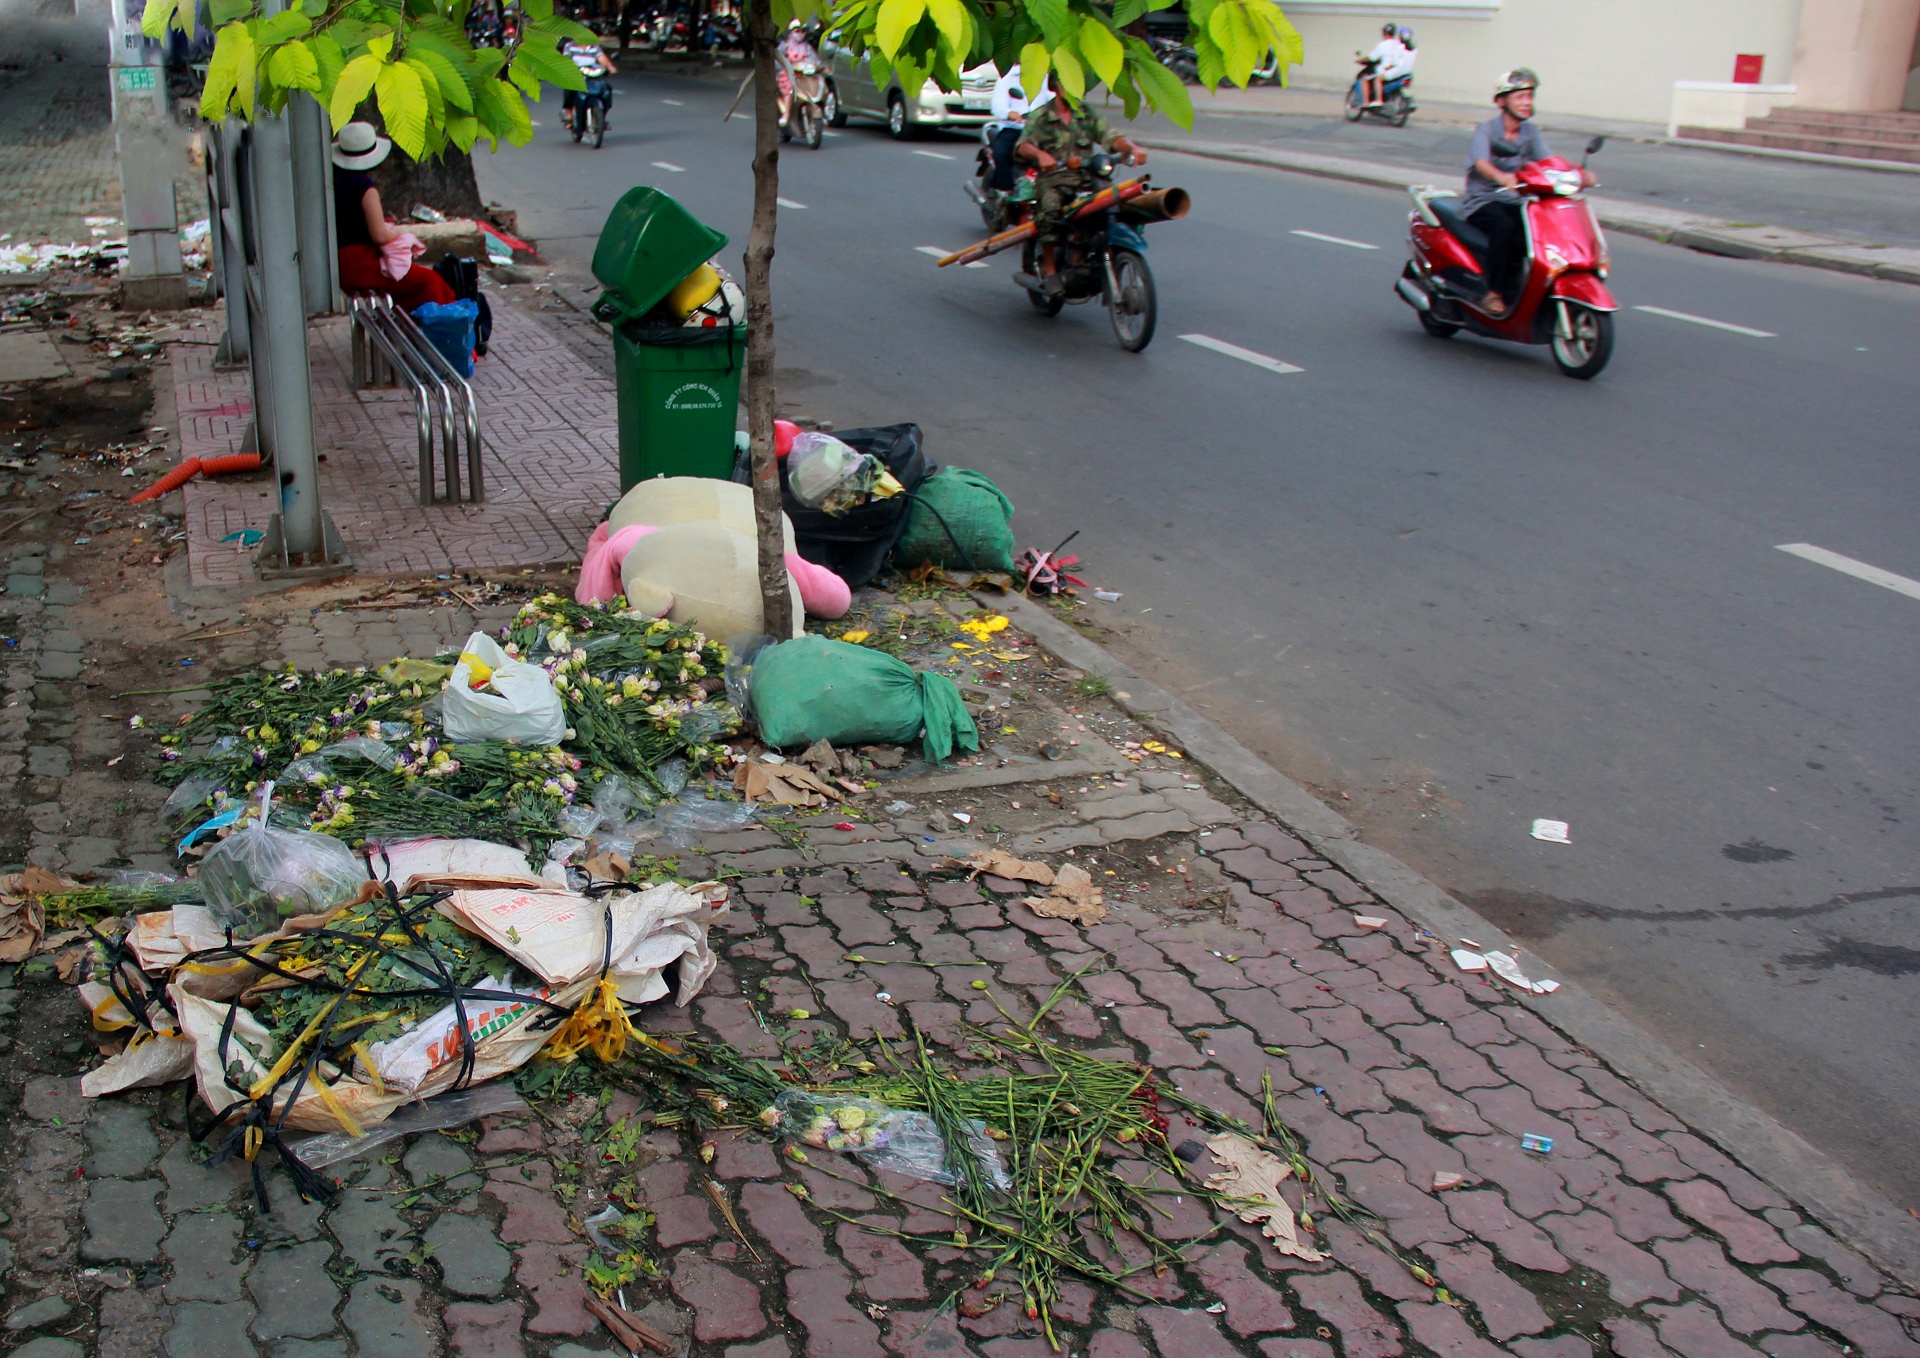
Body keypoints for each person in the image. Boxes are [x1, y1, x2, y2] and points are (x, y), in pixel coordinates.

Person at [1458, 68, 1589, 316]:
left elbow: (1548, 161)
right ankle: (1493, 292)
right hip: (1483, 200)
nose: (1527, 103)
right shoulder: (1486, 129)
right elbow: (1481, 163)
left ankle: (1525, 287)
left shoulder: (1531, 132)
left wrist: (1578, 174)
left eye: (1530, 96)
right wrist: (1501, 176)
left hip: (1516, 199)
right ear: (1501, 101)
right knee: (1505, 227)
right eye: (1520, 97)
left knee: (1537, 232)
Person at [1014, 82, 1147, 293]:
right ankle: (1050, 268)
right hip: (1054, 179)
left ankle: (1086, 251)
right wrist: (1040, 155)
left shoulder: (1086, 113)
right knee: (1050, 208)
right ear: (1054, 85)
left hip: (1086, 177)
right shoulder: (1042, 115)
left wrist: (1132, 147)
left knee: (1113, 202)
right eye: (1064, 80)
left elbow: (1110, 135)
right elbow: (1023, 144)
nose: (1070, 84)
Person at [330, 122, 457, 311]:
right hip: (360, 266)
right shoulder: (365, 188)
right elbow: (379, 235)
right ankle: (432, 333)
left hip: (341, 264)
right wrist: (398, 233)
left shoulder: (336, 184)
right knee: (430, 281)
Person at [987, 66, 1051, 192]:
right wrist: (1011, 114)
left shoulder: (1045, 77)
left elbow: (1053, 99)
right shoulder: (1007, 77)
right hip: (1015, 129)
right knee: (1001, 153)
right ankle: (1005, 191)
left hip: (1040, 130)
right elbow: (998, 106)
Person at [561, 37, 616, 130]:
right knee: (570, 89)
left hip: (593, 74)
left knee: (606, 90)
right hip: (576, 75)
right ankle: (569, 113)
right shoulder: (570, 46)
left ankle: (601, 117)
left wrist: (610, 67)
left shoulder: (594, 47)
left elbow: (602, 59)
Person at [1360, 22, 1403, 108]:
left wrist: (1360, 60)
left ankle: (1369, 102)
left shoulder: (1382, 45)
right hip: (1397, 71)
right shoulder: (1399, 44)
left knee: (1365, 79)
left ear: (1384, 33)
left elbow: (1372, 57)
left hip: (1385, 70)